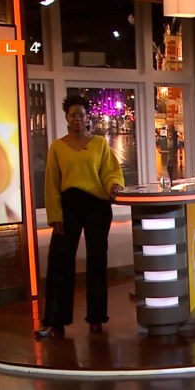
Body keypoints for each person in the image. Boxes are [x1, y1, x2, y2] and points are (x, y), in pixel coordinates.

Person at [35, 95, 125, 339]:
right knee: (60, 262)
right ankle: (55, 321)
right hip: (69, 206)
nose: (77, 119)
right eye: (73, 114)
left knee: (97, 260)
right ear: (66, 117)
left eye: (82, 115)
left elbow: (110, 172)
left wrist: (114, 186)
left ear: (87, 118)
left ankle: (96, 318)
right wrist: (55, 215)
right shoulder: (57, 147)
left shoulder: (99, 144)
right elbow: (51, 184)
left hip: (97, 205)